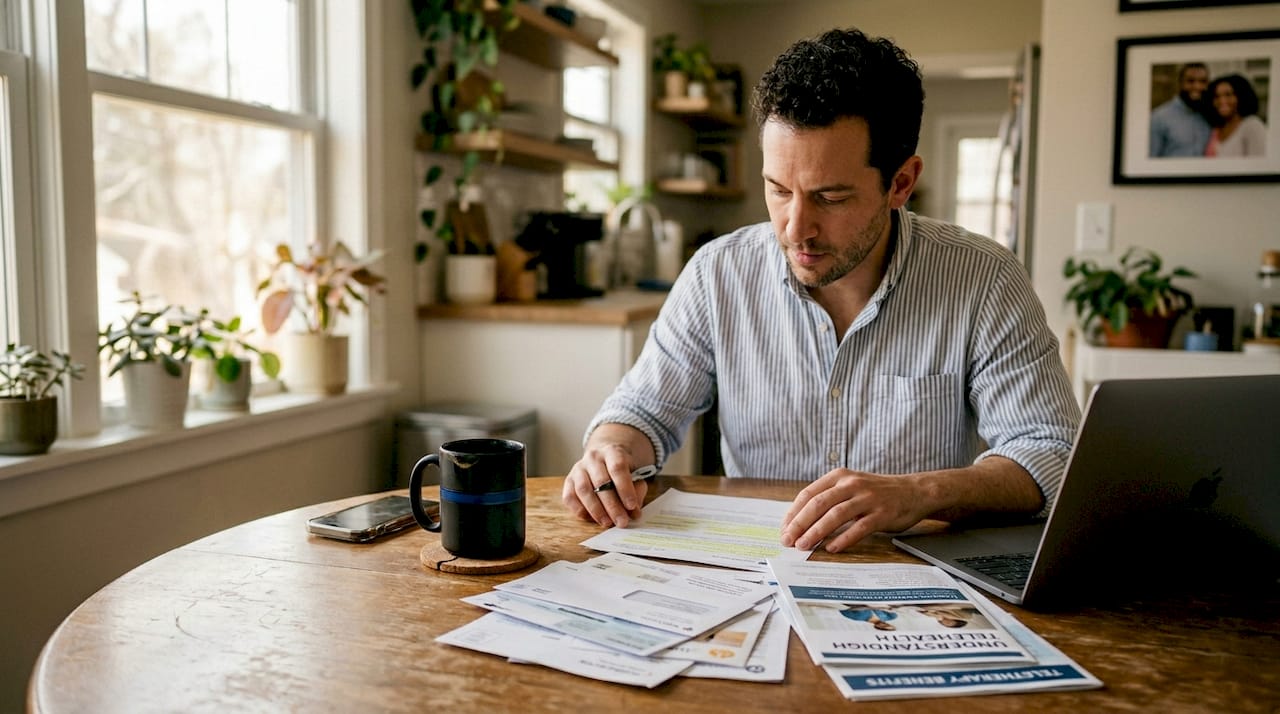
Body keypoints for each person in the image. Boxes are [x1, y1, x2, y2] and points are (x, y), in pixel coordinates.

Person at [561, 27, 1079, 553]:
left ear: (901, 183)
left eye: (830, 197)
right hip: (755, 569)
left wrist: (919, 492)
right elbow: (642, 413)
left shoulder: (984, 280)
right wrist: (611, 451)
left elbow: (1050, 454)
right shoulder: (716, 275)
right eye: (779, 190)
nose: (794, 228)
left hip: (911, 578)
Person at [1149, 62, 1212, 157]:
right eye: (1190, 81)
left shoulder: (1210, 116)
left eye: (1203, 81)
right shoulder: (1158, 118)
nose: (1197, 86)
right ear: (1180, 83)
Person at [1203, 74, 1267, 158]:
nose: (1221, 101)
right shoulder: (1216, 130)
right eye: (1216, 96)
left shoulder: (1252, 125)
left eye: (1228, 95)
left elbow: (1260, 166)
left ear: (1241, 97)